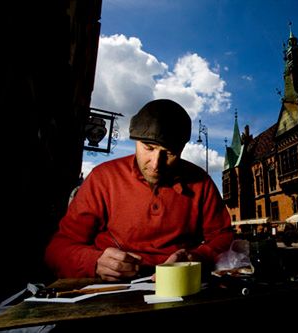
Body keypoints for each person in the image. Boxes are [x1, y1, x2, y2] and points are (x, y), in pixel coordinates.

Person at [45, 99, 233, 281]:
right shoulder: (103, 178)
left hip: (180, 286)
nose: (156, 164)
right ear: (135, 141)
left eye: (168, 153)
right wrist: (93, 262)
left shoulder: (201, 182)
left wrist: (199, 257)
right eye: (148, 148)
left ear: (182, 149)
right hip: (112, 289)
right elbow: (57, 250)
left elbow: (224, 239)